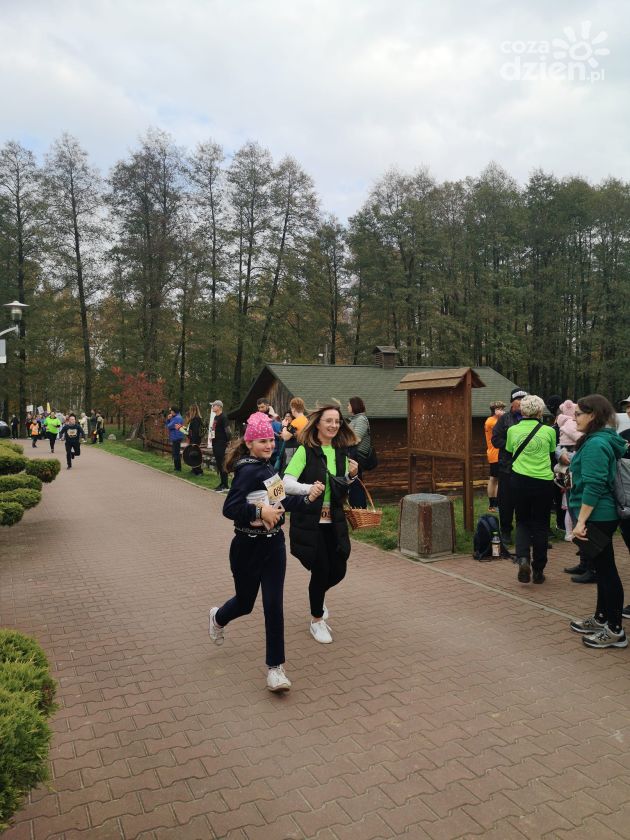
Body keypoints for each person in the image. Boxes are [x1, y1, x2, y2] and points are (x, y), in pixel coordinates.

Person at [208, 412, 324, 692]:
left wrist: (307, 498)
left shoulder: (269, 468)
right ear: (249, 443)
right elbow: (230, 508)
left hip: (273, 547)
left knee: (273, 606)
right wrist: (260, 511)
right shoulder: (247, 471)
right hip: (247, 548)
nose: (269, 445)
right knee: (245, 603)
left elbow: (281, 502)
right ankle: (218, 617)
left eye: (271, 440)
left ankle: (276, 669)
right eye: (262, 441)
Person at [284, 404, 359, 644]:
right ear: (317, 423)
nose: (334, 425)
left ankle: (317, 596)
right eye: (329, 421)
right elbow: (286, 483)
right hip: (310, 522)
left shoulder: (340, 452)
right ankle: (317, 621)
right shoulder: (305, 451)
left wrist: (351, 477)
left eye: (337, 421)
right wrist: (309, 489)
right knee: (321, 570)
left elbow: (339, 489)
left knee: (339, 569)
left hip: (334, 522)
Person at [568, 395, 628, 648]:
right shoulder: (596, 440)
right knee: (602, 569)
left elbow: (594, 485)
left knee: (606, 572)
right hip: (598, 514)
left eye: (578, 414)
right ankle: (602, 617)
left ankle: (615, 630)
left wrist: (580, 521)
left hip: (598, 515)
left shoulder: (596, 444)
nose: (574, 418)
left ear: (592, 415)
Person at [506, 395, 557, 585]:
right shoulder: (549, 431)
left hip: (519, 481)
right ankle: (538, 570)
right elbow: (551, 455)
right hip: (543, 482)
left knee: (522, 521)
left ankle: (523, 559)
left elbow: (510, 451)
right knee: (541, 524)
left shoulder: (512, 430)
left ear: (522, 410)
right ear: (540, 411)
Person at [492, 388, 528, 543]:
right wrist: (512, 446)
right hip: (507, 466)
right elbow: (495, 439)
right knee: (506, 501)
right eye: (518, 399)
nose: (521, 402)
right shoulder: (504, 419)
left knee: (524, 501)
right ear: (512, 402)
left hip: (526, 467)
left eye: (524, 399)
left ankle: (524, 532)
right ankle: (506, 531)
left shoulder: (531, 418)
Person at [346, 396, 370, 509]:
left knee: (356, 483)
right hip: (353, 454)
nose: (347, 407)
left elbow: (356, 439)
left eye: (348, 405)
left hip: (358, 456)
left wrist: (340, 442)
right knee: (353, 483)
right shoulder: (355, 419)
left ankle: (359, 510)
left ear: (354, 406)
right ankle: (355, 509)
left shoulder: (361, 419)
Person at [484, 401, 506, 512]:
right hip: (495, 453)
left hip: (496, 453)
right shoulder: (491, 421)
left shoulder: (495, 420)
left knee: (495, 479)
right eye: (500, 409)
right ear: (494, 410)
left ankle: (493, 505)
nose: (502, 411)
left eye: (503, 409)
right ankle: (494, 505)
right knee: (496, 479)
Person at [279, 397, 308, 471]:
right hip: (304, 449)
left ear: (294, 409)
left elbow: (286, 437)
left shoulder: (295, 422)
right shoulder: (306, 420)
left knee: (287, 469)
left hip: (294, 450)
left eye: (291, 408)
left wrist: (284, 426)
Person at [210, 400, 232, 491]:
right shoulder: (216, 417)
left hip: (221, 442)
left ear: (219, 407)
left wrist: (228, 440)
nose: (212, 407)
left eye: (214, 405)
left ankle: (225, 485)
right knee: (219, 463)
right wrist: (212, 437)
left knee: (222, 463)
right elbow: (214, 429)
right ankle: (223, 483)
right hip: (215, 442)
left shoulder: (223, 417)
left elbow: (228, 431)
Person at [165, 406, 185, 472]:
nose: (170, 412)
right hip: (177, 436)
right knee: (176, 452)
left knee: (176, 453)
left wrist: (168, 419)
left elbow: (169, 426)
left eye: (171, 411)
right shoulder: (177, 417)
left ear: (173, 411)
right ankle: (177, 467)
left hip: (176, 437)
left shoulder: (177, 418)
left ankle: (177, 468)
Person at [185, 403, 203, 476]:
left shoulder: (196, 420)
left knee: (195, 455)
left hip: (195, 440)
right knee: (193, 454)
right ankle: (194, 469)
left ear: (192, 411)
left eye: (190, 410)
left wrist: (193, 442)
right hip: (194, 439)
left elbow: (195, 432)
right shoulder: (195, 419)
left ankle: (198, 471)